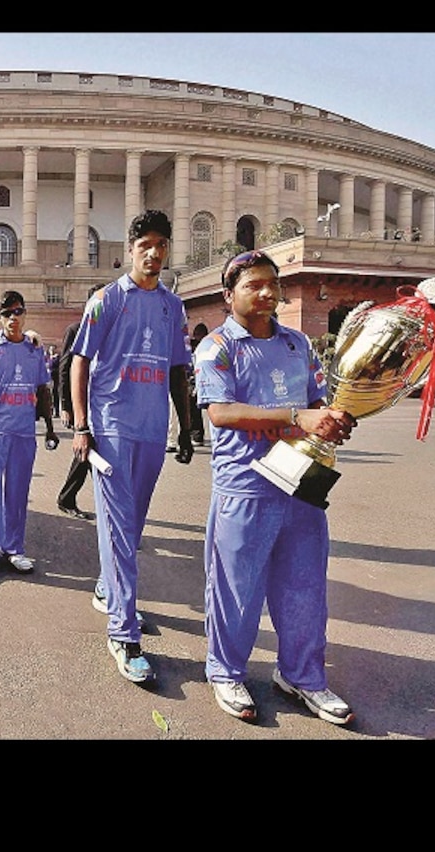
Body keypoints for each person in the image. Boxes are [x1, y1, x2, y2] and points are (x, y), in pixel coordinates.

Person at [194, 248, 356, 725]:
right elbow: (220, 412)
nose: (267, 293)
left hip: (301, 483)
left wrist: (334, 417)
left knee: (304, 587)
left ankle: (302, 676)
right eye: (253, 285)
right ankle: (225, 671)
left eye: (272, 284)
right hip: (245, 485)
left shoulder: (298, 344)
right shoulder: (218, 347)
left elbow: (317, 398)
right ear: (229, 296)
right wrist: (295, 418)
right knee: (236, 589)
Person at [70, 210, 194, 685]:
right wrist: (82, 426)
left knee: (132, 527)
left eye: (162, 243)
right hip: (112, 430)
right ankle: (123, 632)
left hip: (152, 431)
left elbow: (178, 369)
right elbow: (79, 362)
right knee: (121, 530)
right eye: (146, 243)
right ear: (131, 247)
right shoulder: (105, 301)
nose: (155, 252)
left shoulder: (172, 307)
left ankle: (108, 588)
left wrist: (185, 427)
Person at [0, 290, 57, 580]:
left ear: (24, 313)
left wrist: (50, 428)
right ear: (0, 317)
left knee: (17, 493)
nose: (12, 318)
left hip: (23, 431)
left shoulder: (34, 350)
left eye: (17, 312)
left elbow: (42, 390)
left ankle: (13, 548)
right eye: (6, 313)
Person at [55, 285, 101, 520]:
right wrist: (65, 405)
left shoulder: (110, 331)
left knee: (90, 453)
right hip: (79, 402)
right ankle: (71, 498)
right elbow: (65, 368)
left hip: (100, 403)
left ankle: (68, 498)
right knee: (90, 452)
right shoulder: (76, 330)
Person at [188, 322, 209, 444]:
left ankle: (197, 434)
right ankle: (196, 434)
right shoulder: (194, 346)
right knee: (194, 408)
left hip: (199, 380)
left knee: (195, 409)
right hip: (195, 379)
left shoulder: (204, 346)